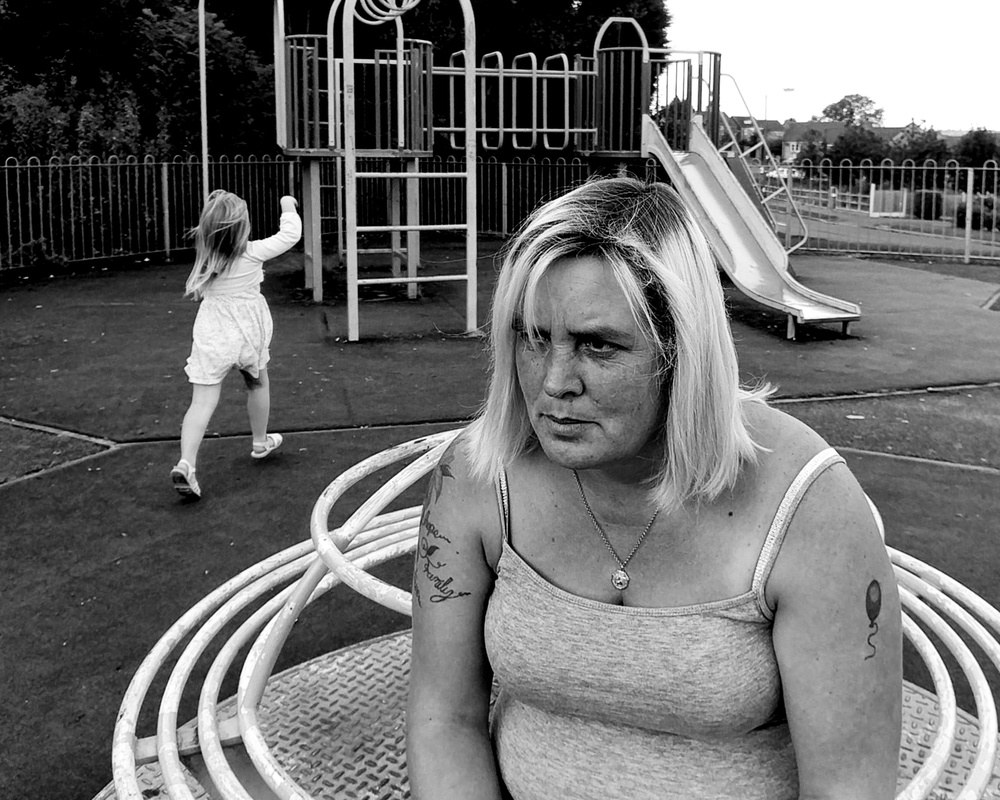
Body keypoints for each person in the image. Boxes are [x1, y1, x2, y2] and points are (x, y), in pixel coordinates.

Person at [406, 177, 902, 799]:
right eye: (533, 337)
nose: (554, 382)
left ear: (681, 352)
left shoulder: (806, 505)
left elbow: (849, 787)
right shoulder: (480, 473)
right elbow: (442, 719)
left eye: (598, 345)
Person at [170, 190, 302, 499]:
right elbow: (291, 233)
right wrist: (286, 203)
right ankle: (260, 441)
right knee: (257, 382)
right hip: (247, 333)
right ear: (242, 228)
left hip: (213, 332)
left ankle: (186, 463)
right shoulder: (254, 252)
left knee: (201, 402)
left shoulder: (206, 258)